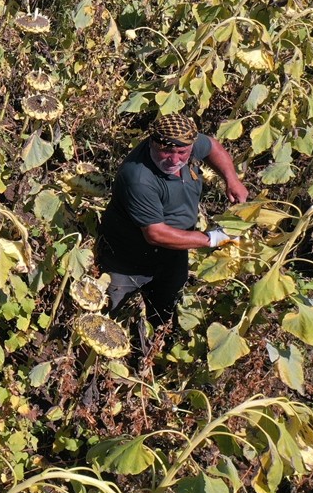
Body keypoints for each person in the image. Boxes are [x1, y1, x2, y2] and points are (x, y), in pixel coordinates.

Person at [97, 113, 249, 331]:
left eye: (182, 153)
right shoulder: (139, 178)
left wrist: (231, 179)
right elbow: (156, 234)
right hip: (126, 260)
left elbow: (213, 147)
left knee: (165, 314)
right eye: (166, 151)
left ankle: (156, 347)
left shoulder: (183, 143)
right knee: (107, 321)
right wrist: (213, 238)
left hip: (174, 252)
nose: (175, 160)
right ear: (152, 142)